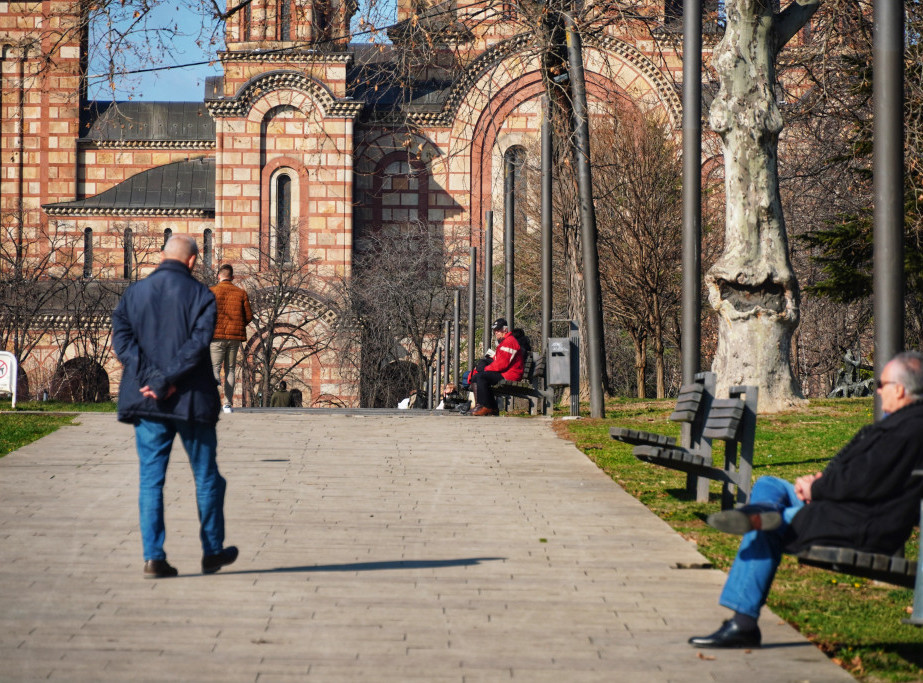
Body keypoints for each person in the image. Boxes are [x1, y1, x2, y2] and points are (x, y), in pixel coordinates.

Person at [689, 350, 923, 649]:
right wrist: (817, 484)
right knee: (770, 484)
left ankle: (743, 624)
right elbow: (863, 475)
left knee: (766, 526)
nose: (877, 391)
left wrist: (817, 489)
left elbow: (865, 480)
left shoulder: (908, 429)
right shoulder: (904, 425)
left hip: (861, 524)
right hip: (843, 507)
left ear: (900, 389)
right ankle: (762, 511)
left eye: (881, 384)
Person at [112, 235, 238, 579]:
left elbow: (121, 341)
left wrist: (152, 378)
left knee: (151, 481)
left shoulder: (134, 293)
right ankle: (212, 551)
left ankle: (154, 557)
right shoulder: (201, 295)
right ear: (193, 261)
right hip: (191, 401)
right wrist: (166, 379)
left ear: (161, 256)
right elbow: (198, 345)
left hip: (146, 400)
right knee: (207, 477)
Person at [209, 264, 253, 413]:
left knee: (214, 368)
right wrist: (238, 325)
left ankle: (214, 396)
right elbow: (248, 316)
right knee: (230, 370)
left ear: (218, 276)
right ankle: (227, 404)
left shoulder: (211, 292)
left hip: (215, 337)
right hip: (234, 338)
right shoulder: (241, 293)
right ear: (232, 277)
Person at [471, 318, 524, 416]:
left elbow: (502, 364)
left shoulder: (509, 342)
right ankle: (486, 407)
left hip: (510, 374)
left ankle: (485, 406)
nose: (496, 332)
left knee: (481, 376)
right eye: (495, 330)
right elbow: (499, 360)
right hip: (505, 372)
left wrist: (485, 369)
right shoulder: (505, 342)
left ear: (505, 329)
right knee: (476, 377)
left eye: (498, 329)